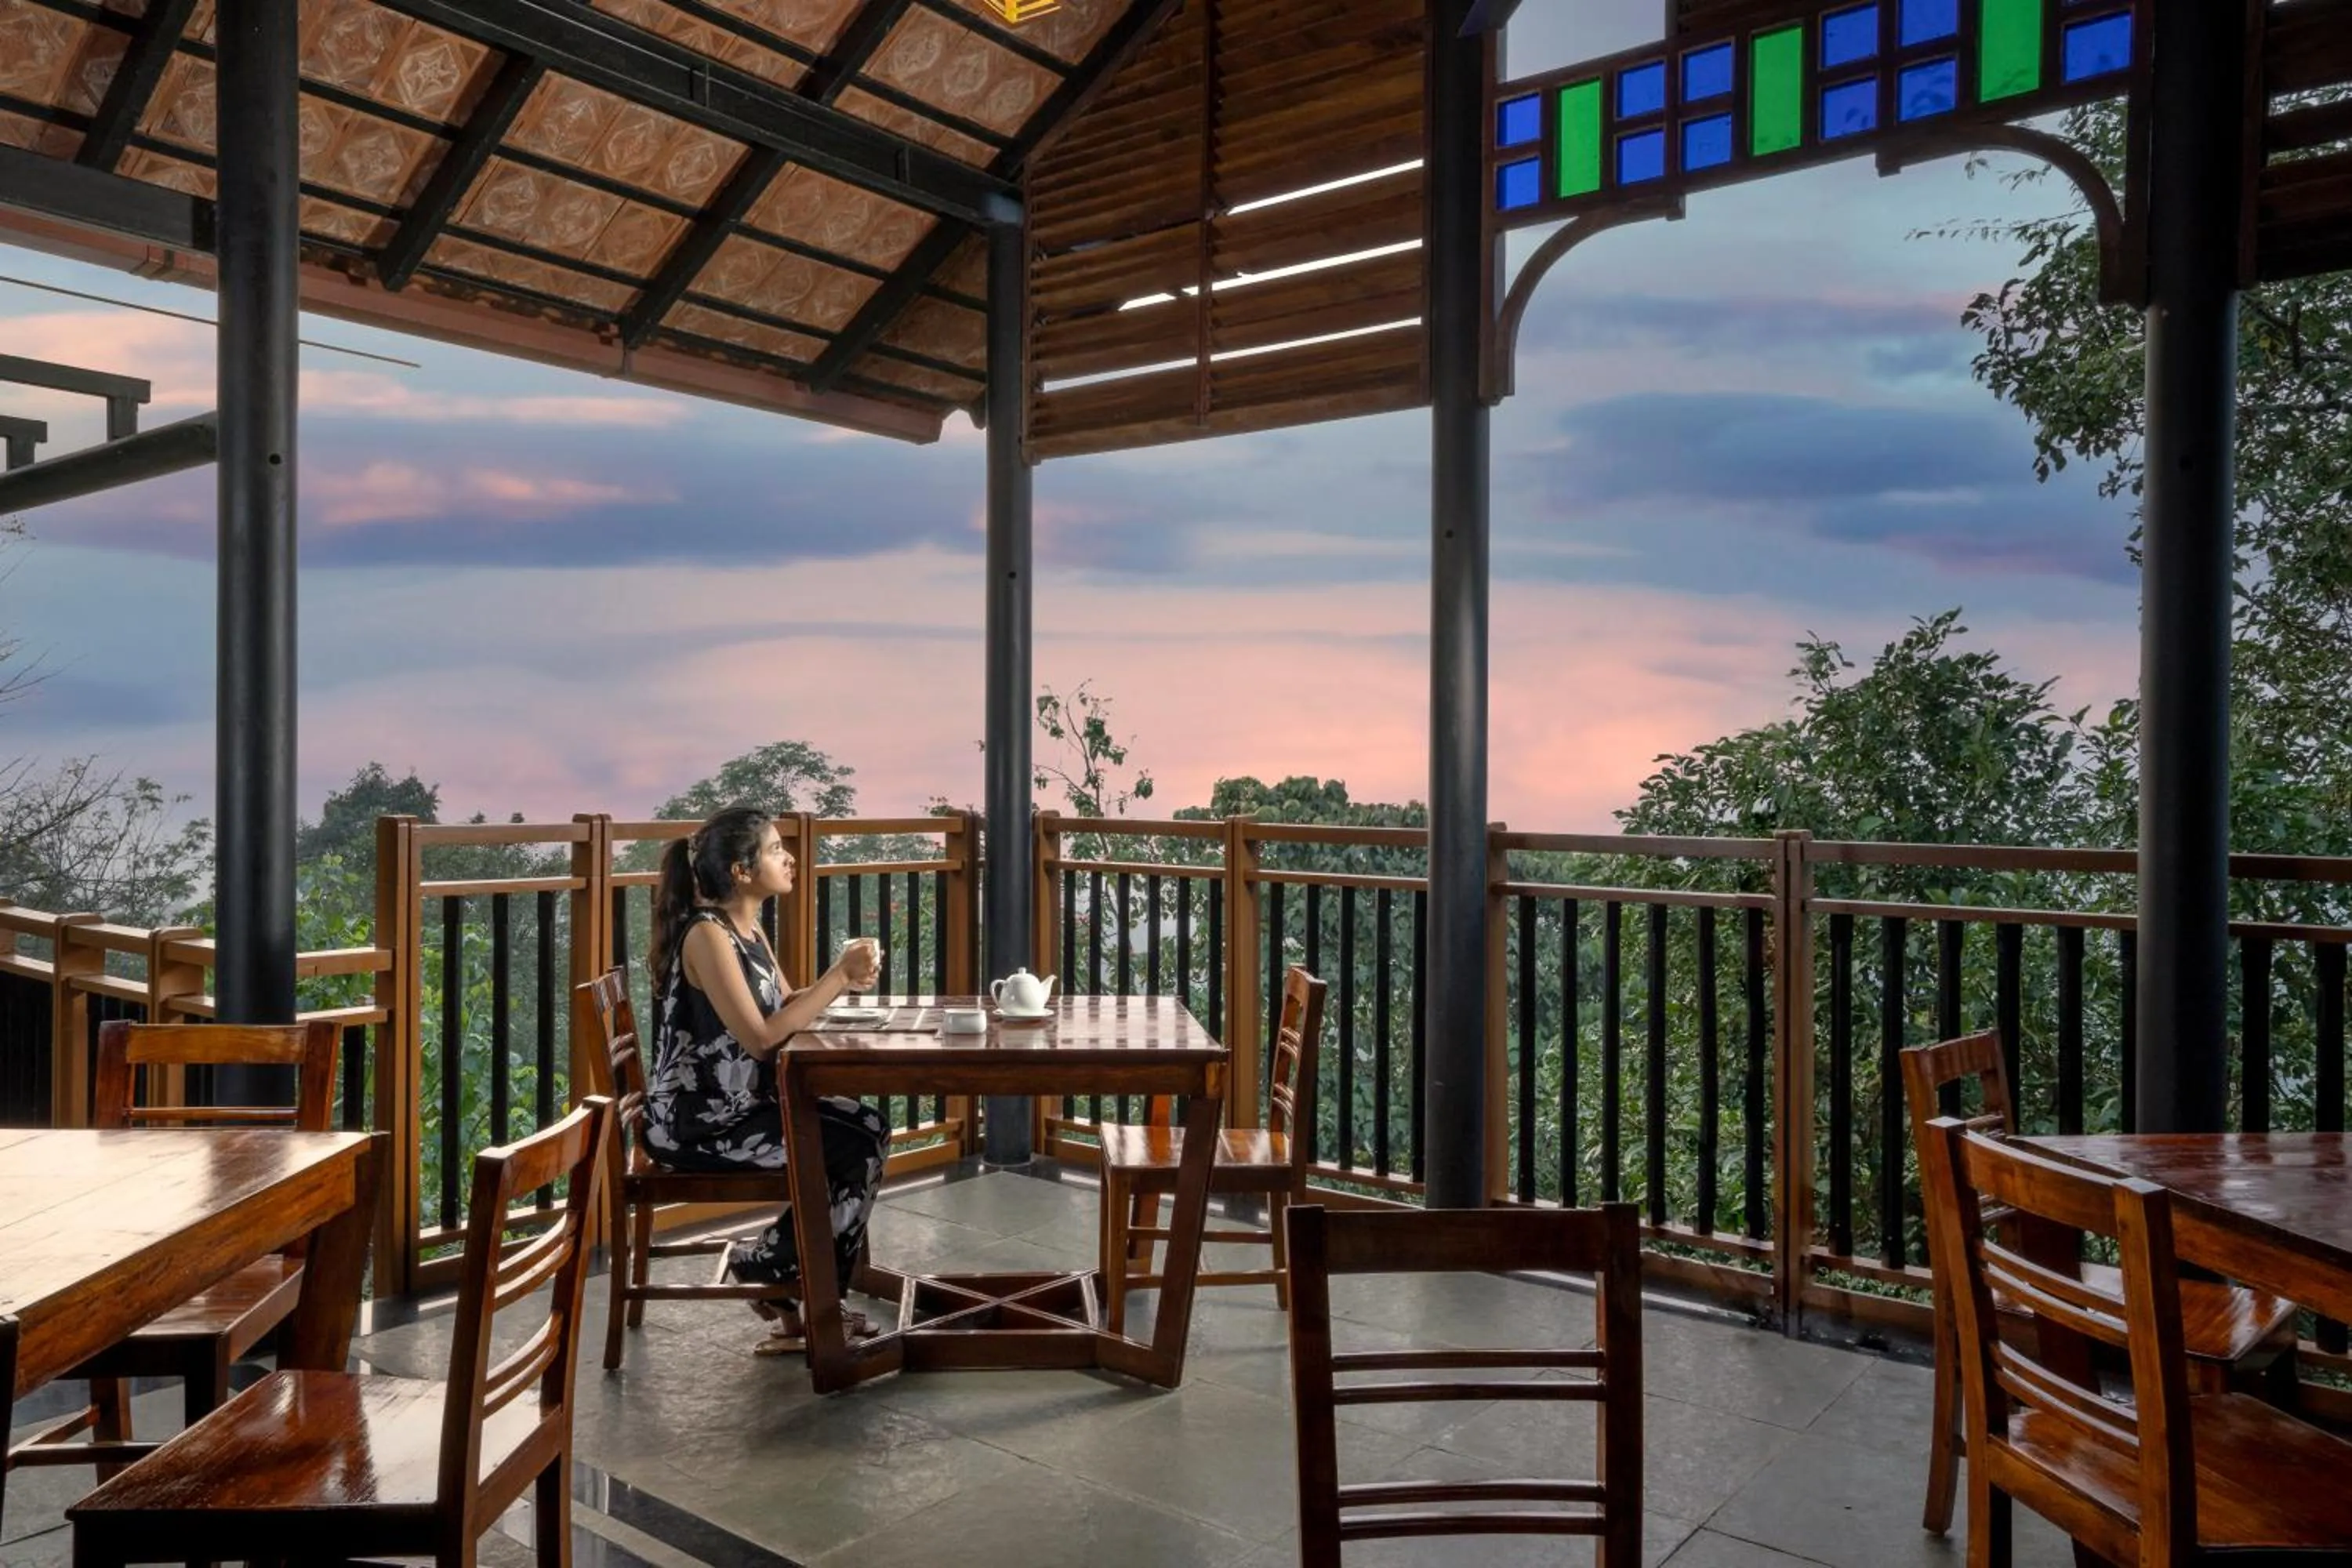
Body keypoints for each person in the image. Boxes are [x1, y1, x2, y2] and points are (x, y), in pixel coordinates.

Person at [645, 804, 888, 1352]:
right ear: (741, 870)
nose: (791, 857)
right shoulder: (707, 935)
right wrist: (837, 976)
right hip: (699, 1121)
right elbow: (762, 1036)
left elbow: (787, 1005)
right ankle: (789, 1285)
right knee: (856, 1144)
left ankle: (787, 1287)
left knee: (865, 1128)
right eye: (778, 849)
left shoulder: (747, 929)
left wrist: (843, 983)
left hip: (740, 1105)